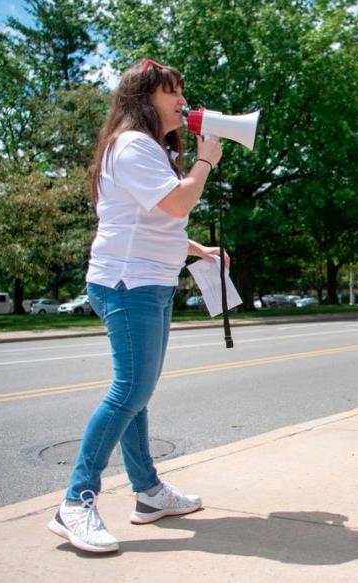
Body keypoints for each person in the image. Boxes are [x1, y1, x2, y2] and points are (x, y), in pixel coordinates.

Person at [48, 59, 225, 553]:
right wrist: (206, 160)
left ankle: (148, 493)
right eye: (174, 92)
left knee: (137, 393)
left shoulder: (148, 149)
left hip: (148, 282)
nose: (183, 100)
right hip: (129, 286)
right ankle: (75, 503)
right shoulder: (132, 145)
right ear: (145, 98)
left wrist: (200, 250)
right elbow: (176, 204)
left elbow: (154, 220)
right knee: (130, 392)